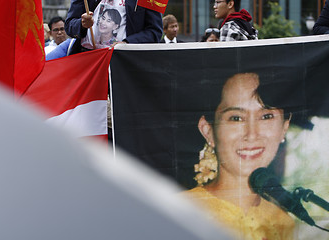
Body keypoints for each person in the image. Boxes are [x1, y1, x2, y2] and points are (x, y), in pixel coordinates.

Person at [184, 73, 295, 240]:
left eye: (266, 116)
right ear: (208, 131)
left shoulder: (283, 223)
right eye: (236, 118)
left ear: (284, 128)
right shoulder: (179, 212)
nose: (252, 134)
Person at [64, 0, 163, 54]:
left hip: (124, 63)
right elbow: (69, 26)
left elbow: (155, 32)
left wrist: (126, 43)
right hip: (87, 60)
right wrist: (82, 24)